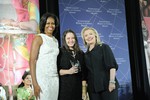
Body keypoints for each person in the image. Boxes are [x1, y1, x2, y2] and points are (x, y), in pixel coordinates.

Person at [81, 27, 119, 100]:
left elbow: (112, 66)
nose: (88, 36)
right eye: (86, 35)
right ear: (84, 39)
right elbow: (85, 75)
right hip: (93, 90)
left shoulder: (104, 47)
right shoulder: (85, 55)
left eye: (90, 34)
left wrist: (111, 82)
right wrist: (85, 92)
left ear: (95, 35)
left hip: (108, 86)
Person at [29, 12, 59, 100]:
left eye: (53, 23)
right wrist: (34, 83)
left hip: (54, 78)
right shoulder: (38, 38)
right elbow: (32, 61)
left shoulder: (55, 40)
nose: (51, 25)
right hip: (42, 79)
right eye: (48, 23)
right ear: (43, 24)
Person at [57, 29, 87, 100]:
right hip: (64, 90)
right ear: (64, 40)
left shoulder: (81, 53)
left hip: (78, 89)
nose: (71, 40)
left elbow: (84, 74)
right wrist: (69, 71)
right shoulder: (60, 52)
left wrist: (84, 91)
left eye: (73, 38)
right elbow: (56, 71)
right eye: (68, 38)